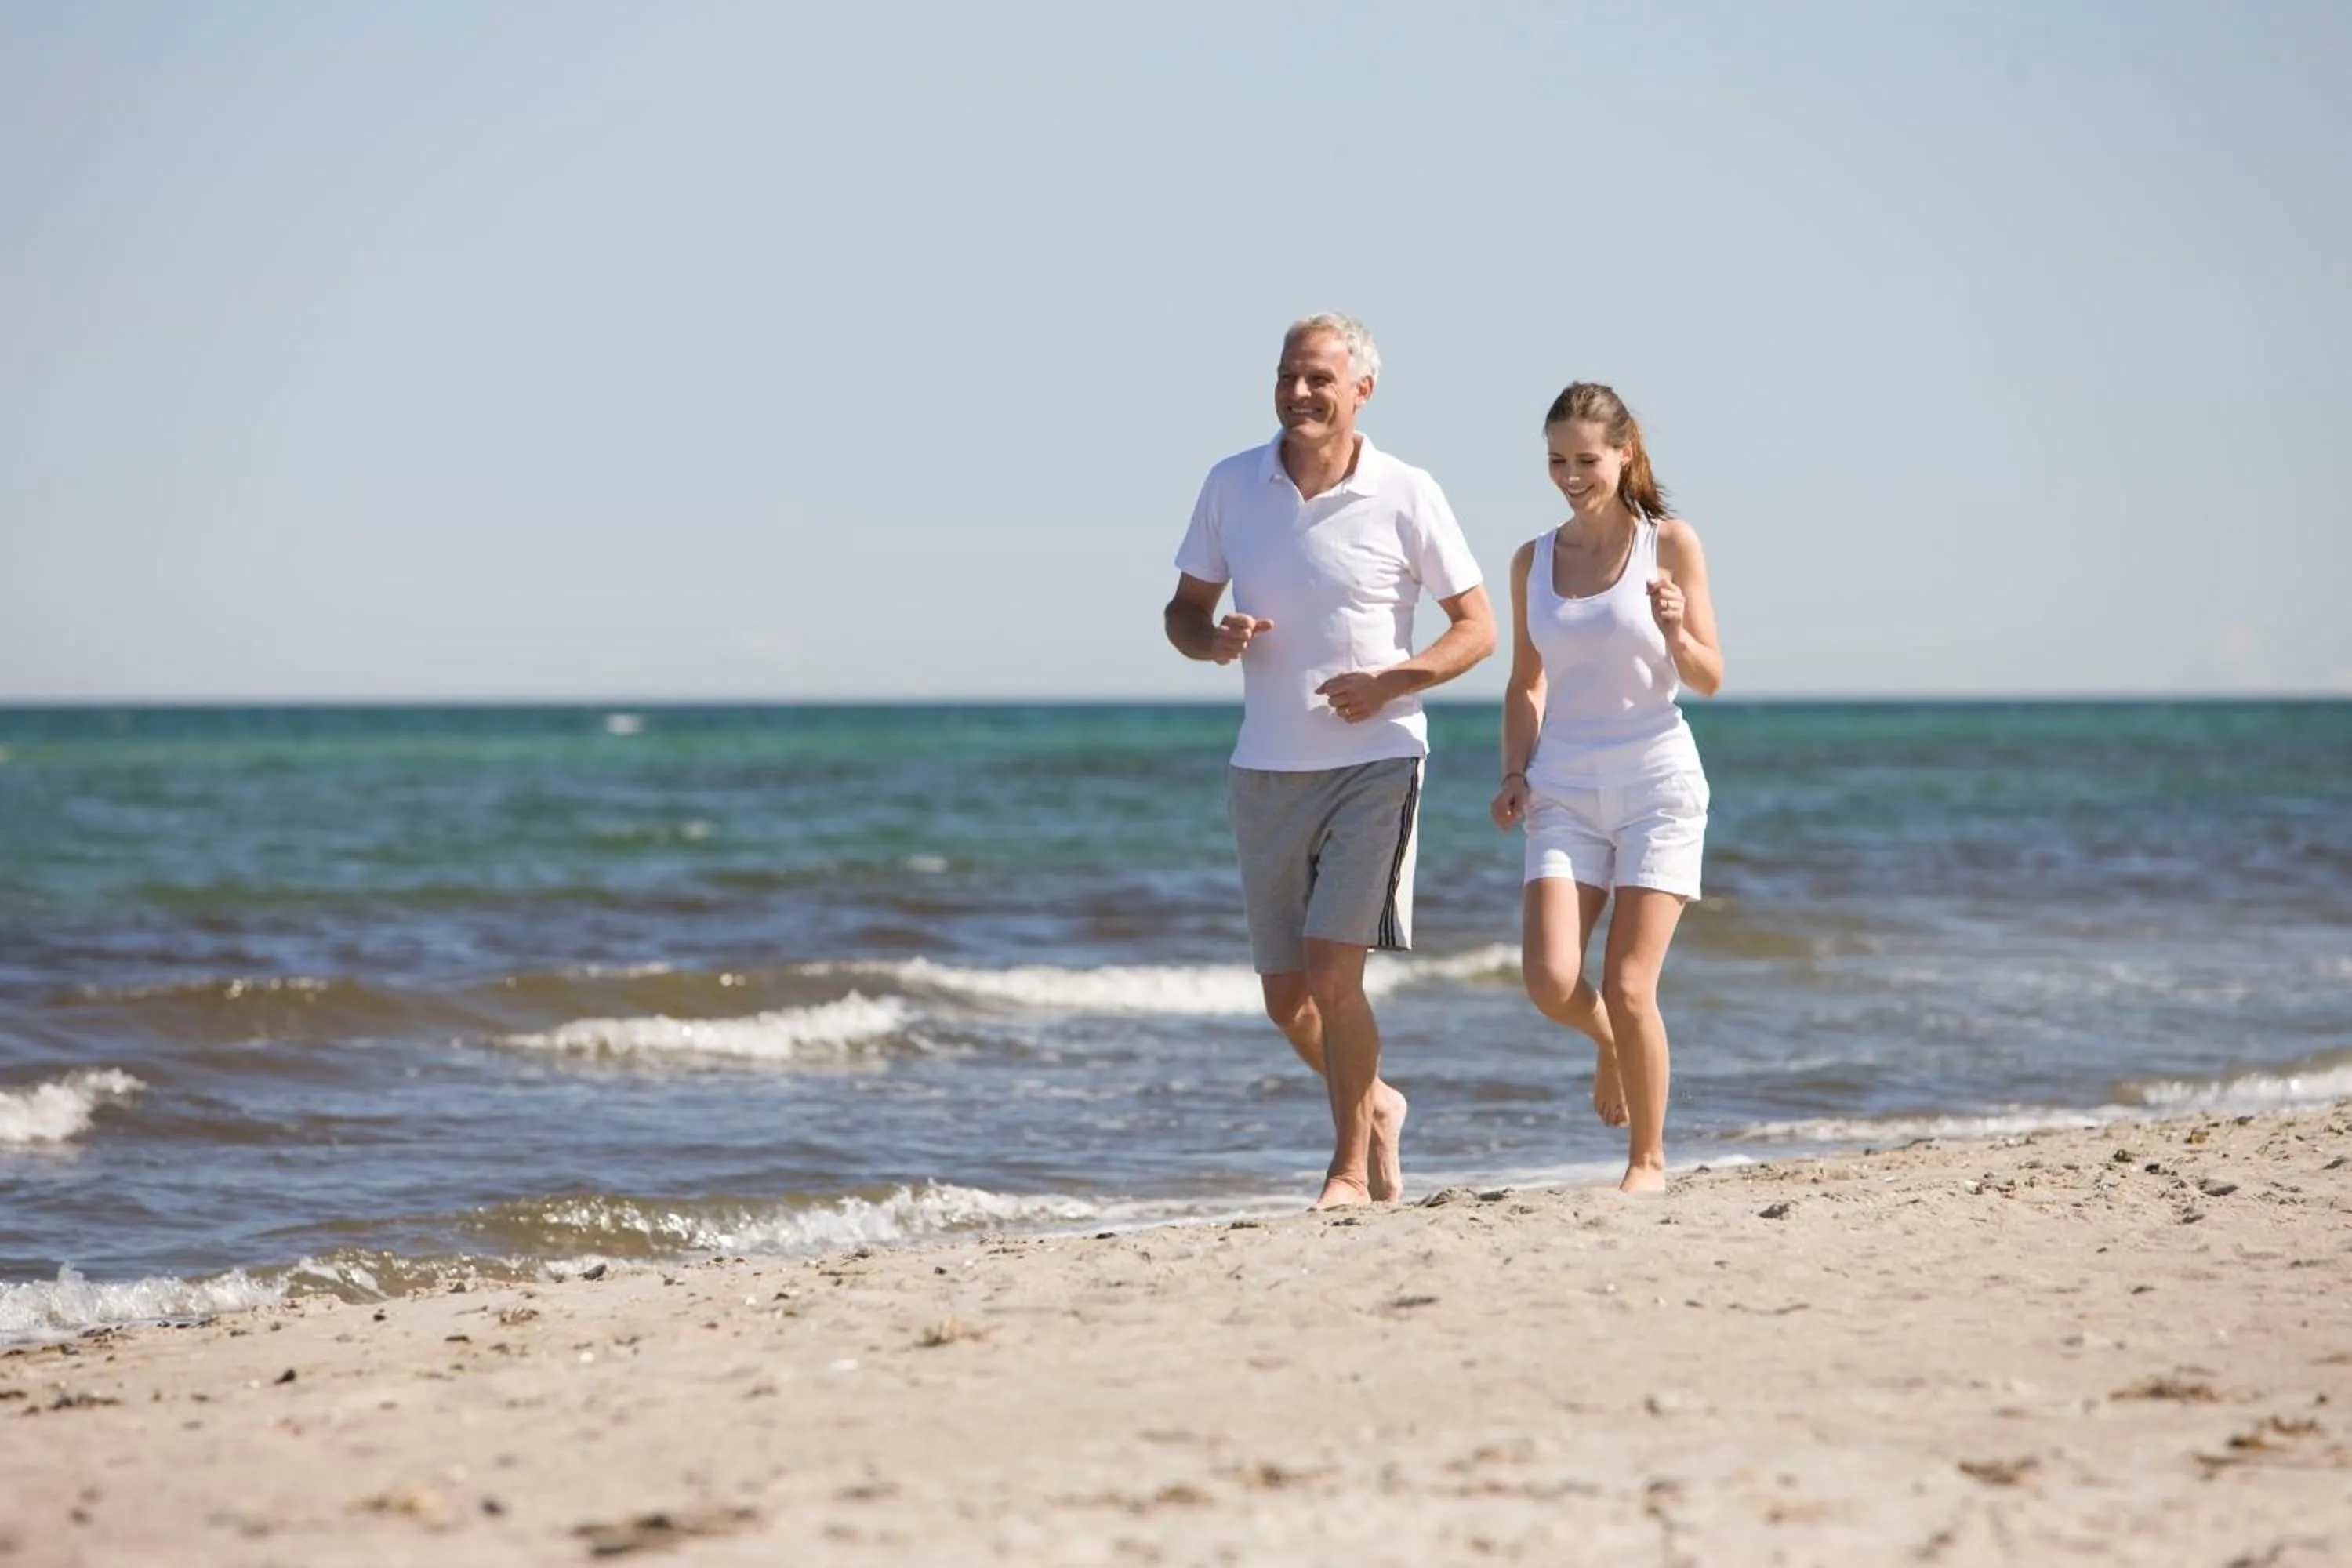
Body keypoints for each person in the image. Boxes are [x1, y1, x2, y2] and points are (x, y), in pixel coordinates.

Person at [1165, 313, 1496, 1209]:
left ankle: (1348, 1168)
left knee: (1333, 972)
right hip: (1265, 769)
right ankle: (1378, 1103)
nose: (1300, 392)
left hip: (1376, 762)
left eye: (1319, 377)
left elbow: (1477, 629)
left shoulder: (1408, 490)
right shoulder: (1232, 483)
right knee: (1287, 1001)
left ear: (1362, 390)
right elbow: (1183, 612)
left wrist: (1395, 680)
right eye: (1288, 375)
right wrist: (1214, 637)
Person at [1489, 383, 1722, 1194]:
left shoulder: (1671, 544)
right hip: (1564, 787)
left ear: (1625, 454)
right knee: (1552, 981)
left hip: (1657, 779)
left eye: (1586, 459)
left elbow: (1710, 675)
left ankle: (1648, 1161)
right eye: (1557, 460)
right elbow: (1526, 682)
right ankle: (1611, 1045)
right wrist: (1515, 771)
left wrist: (1675, 629)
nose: (1571, 475)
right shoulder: (1534, 560)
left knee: (1629, 984)